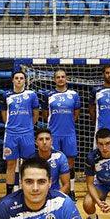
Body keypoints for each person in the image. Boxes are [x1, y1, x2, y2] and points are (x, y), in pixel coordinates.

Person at [41, 69, 80, 201]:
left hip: (69, 133)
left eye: (63, 76)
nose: (60, 79)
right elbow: (45, 114)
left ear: (66, 78)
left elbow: (76, 114)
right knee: (53, 162)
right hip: (54, 134)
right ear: (54, 79)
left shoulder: (74, 95)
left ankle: (71, 190)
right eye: (58, 77)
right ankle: (51, 189)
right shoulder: (48, 95)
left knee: (70, 163)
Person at [1, 70, 39, 195]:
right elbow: (4, 116)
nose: (19, 80)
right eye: (16, 78)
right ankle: (9, 194)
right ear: (13, 80)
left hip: (27, 135)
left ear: (25, 80)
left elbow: (35, 114)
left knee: (27, 164)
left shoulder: (31, 95)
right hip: (11, 135)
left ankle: (26, 191)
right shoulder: (6, 96)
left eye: (21, 78)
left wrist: (28, 127)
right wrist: (12, 126)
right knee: (11, 165)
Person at [34, 127, 70, 195]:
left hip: (55, 194)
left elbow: (66, 186)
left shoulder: (60, 157)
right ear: (36, 142)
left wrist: (54, 198)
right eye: (41, 139)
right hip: (36, 194)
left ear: (51, 141)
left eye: (47, 139)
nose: (44, 142)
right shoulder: (31, 160)